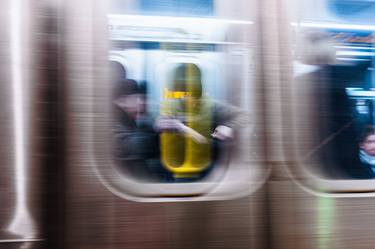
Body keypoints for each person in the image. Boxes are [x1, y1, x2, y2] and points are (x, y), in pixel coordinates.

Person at [155, 63, 249, 180]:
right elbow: (153, 126)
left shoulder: (211, 105)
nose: (187, 97)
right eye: (183, 91)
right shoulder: (169, 106)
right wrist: (156, 127)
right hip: (173, 165)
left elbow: (244, 116)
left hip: (205, 166)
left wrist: (228, 127)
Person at [112, 79, 170, 181]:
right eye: (139, 98)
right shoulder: (110, 121)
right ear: (122, 101)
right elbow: (127, 147)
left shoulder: (129, 120)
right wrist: (155, 130)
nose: (144, 103)